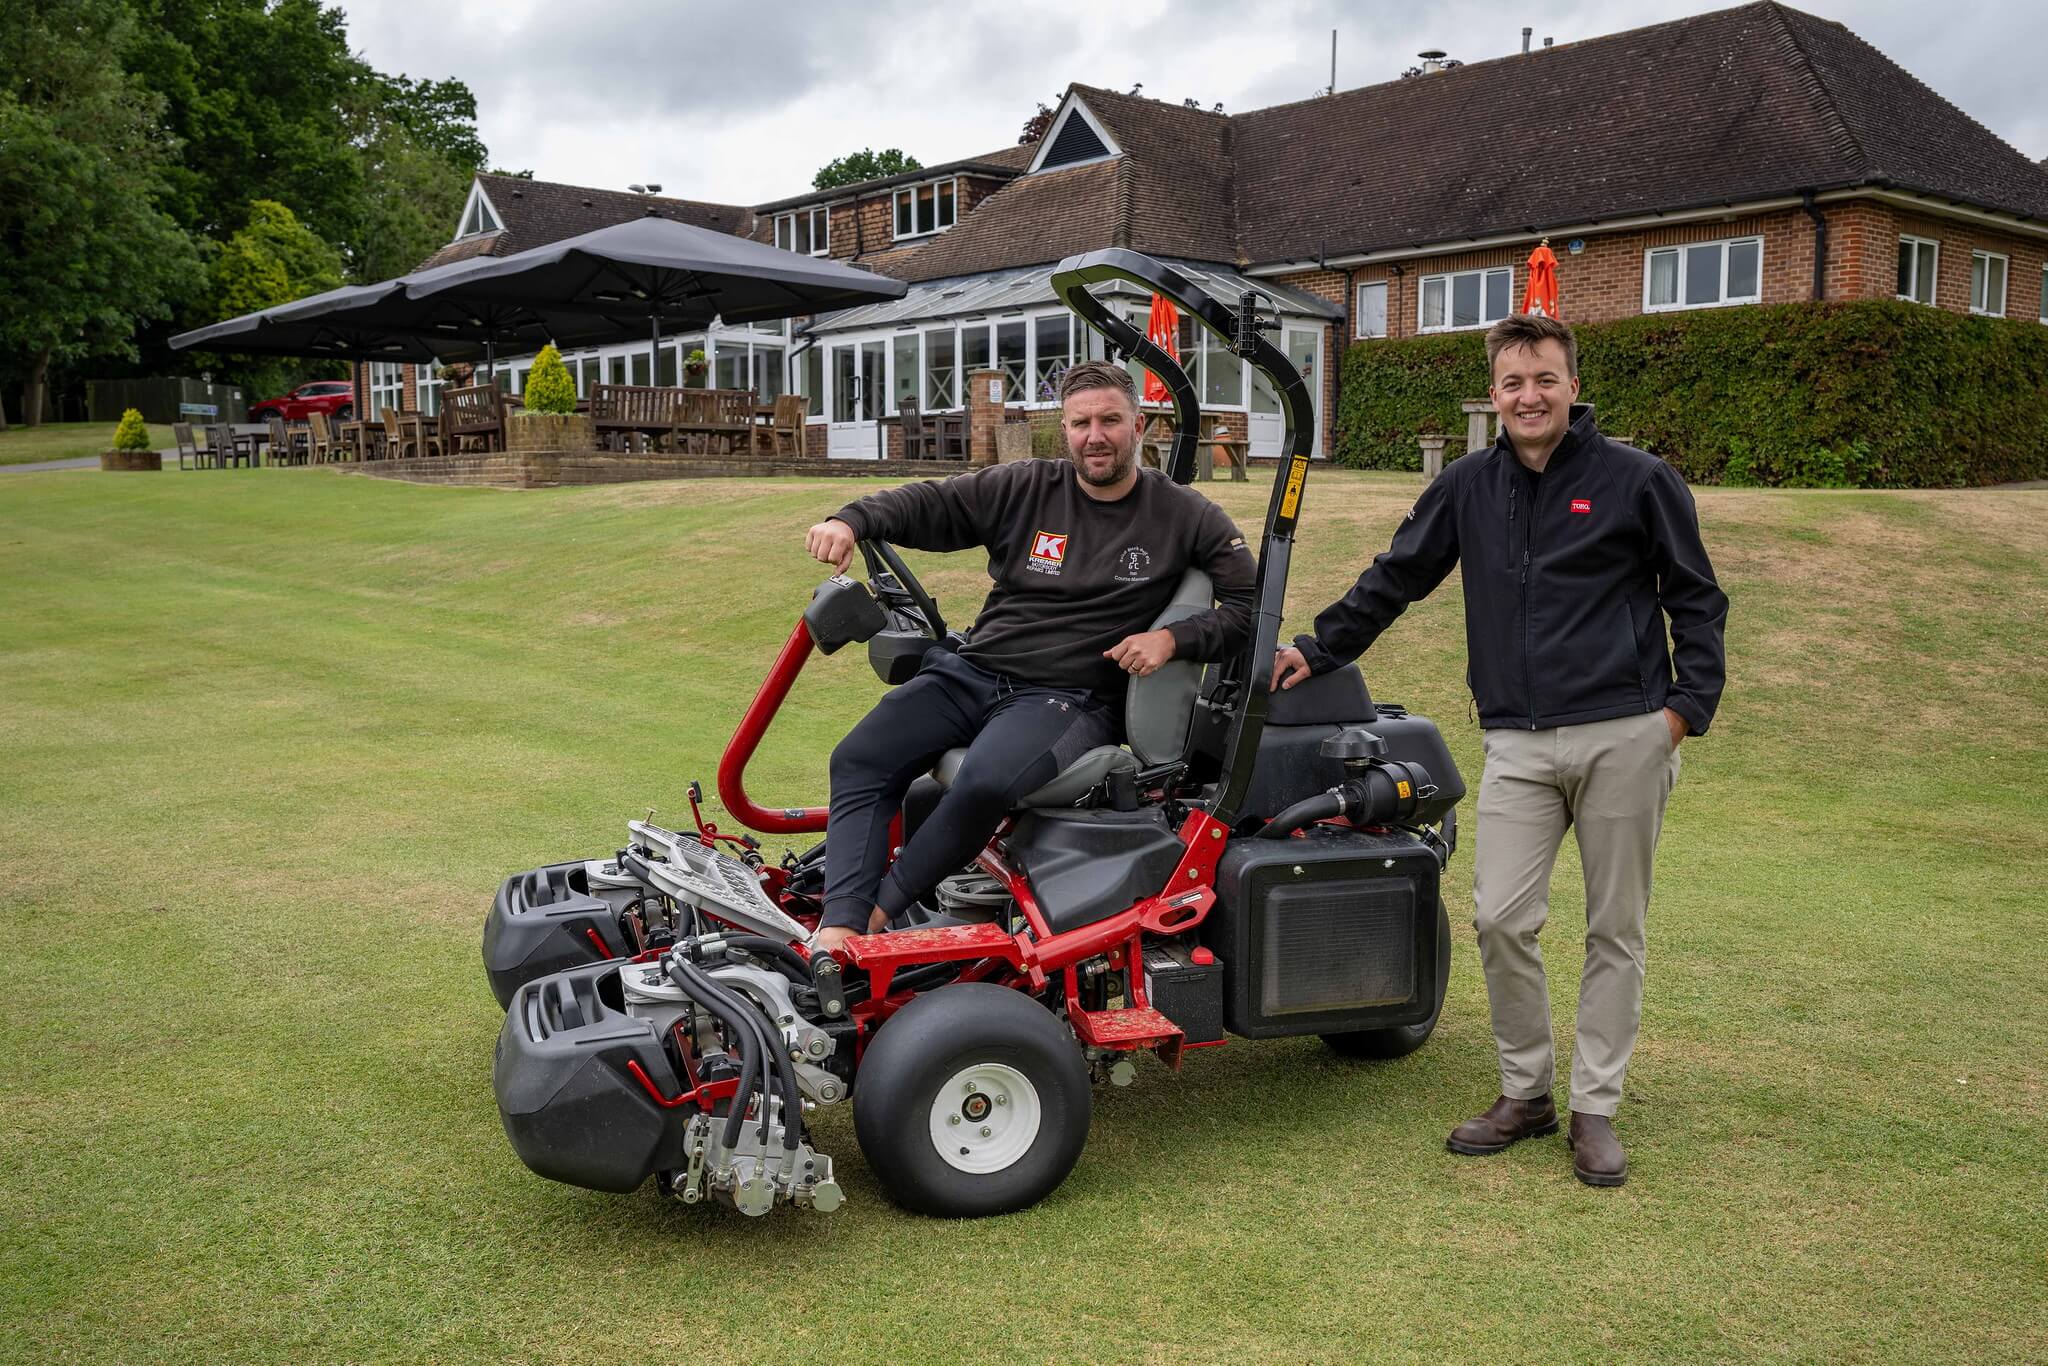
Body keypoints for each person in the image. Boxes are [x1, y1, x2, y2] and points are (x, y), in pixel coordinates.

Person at [1271, 313, 1726, 1187]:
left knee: (1613, 929)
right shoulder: (1468, 485)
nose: (1530, 396)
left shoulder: (1638, 481)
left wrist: (1680, 714)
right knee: (1500, 919)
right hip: (1517, 741)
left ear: (1571, 384)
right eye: (1513, 383)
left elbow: (1697, 599)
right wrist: (1319, 647)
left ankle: (1595, 1106)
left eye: (1545, 379)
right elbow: (1397, 575)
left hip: (1623, 734)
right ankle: (1527, 1093)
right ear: (1494, 393)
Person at [807, 360, 1256, 955]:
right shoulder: (1025, 487)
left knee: (983, 781)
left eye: (1110, 420)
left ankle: (879, 914)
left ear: (1139, 425)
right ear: (1064, 429)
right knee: (860, 757)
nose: (1094, 436)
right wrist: (852, 519)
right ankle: (839, 921)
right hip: (975, 671)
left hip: (1067, 697)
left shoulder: (1185, 514)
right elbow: (932, 504)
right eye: (1080, 423)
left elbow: (1250, 606)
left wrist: (1173, 640)